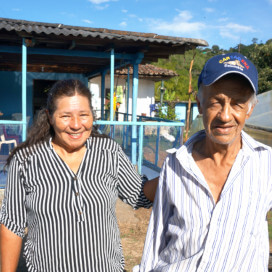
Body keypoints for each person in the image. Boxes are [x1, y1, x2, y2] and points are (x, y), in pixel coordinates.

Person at [0, 79, 157, 272]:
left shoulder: (109, 152)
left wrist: (173, 173)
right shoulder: (26, 160)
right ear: (50, 117)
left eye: (83, 115)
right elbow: (12, 225)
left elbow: (139, 195)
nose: (76, 125)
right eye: (65, 116)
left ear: (92, 115)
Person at [138, 52, 272, 271]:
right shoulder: (176, 164)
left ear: (250, 109)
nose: (225, 116)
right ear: (200, 105)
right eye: (215, 103)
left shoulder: (267, 164)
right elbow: (156, 238)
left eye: (237, 103)